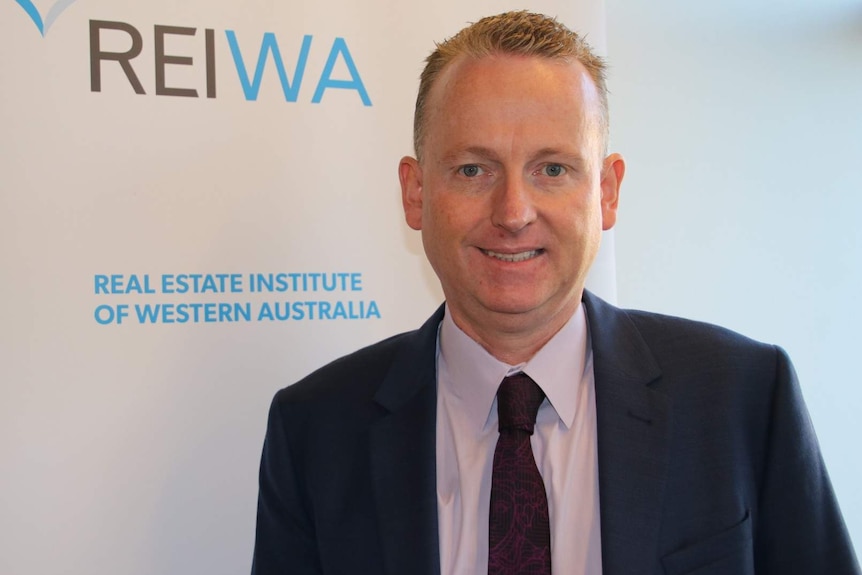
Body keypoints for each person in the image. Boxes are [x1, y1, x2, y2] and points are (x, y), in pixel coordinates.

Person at [251, 11, 859, 575]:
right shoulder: (315, 429)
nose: (513, 212)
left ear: (607, 194)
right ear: (415, 193)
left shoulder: (744, 398)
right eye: (473, 169)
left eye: (553, 169)